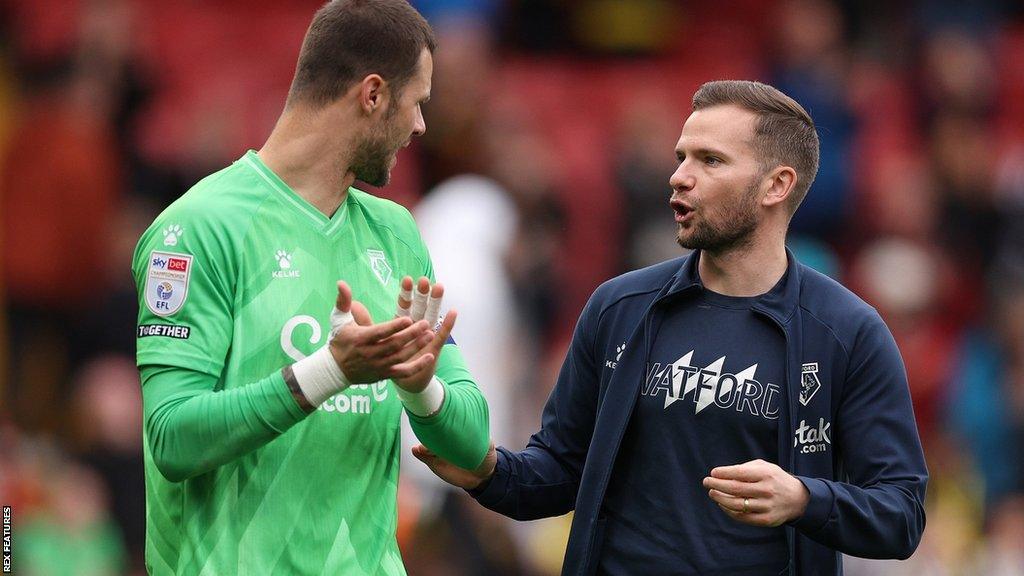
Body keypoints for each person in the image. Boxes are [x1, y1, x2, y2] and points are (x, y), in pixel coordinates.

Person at [412, 80, 928, 575]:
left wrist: (803, 498)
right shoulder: (617, 308)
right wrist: (488, 472)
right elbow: (557, 475)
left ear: (777, 184)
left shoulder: (847, 332)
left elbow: (900, 516)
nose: (679, 176)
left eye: (710, 160)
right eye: (681, 156)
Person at [130, 1, 490, 574]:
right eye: (417, 102)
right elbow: (172, 438)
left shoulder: (396, 233)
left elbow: (472, 443)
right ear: (372, 95)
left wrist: (423, 388)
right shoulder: (197, 230)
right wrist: (330, 371)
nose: (422, 125)